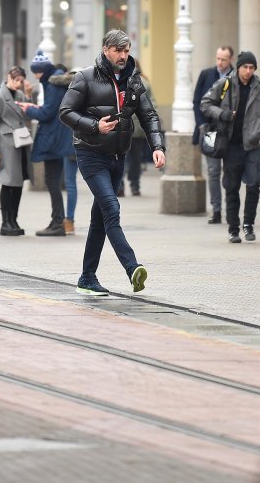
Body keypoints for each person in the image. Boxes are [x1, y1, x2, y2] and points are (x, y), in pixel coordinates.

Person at [59, 29, 165, 295]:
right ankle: (132, 268)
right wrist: (94, 126)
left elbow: (149, 115)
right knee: (111, 208)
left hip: (118, 156)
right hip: (91, 154)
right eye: (118, 50)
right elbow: (65, 112)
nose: (123, 55)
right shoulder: (85, 77)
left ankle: (87, 277)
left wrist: (157, 147)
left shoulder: (134, 80)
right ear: (106, 49)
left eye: (126, 50)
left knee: (99, 219)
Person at [201, 51, 260, 243]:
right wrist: (222, 114)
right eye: (245, 67)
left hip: (251, 144)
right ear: (239, 67)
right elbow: (205, 103)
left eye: (252, 68)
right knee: (231, 187)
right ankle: (233, 229)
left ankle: (248, 225)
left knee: (254, 185)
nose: (248, 71)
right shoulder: (225, 84)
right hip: (231, 145)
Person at [18, 50, 73, 237]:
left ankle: (58, 222)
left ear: (43, 70)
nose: (35, 76)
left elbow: (48, 113)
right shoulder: (54, 80)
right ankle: (58, 220)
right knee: (54, 180)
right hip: (57, 136)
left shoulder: (53, 83)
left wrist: (29, 110)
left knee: (52, 180)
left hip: (54, 138)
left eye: (37, 72)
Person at [0, 66, 34, 237]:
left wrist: (28, 96)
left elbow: (27, 117)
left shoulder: (20, 95)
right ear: (8, 77)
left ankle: (13, 220)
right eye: (15, 80)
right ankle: (5, 222)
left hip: (20, 144)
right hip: (5, 146)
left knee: (19, 183)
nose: (17, 83)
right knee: (8, 184)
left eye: (20, 81)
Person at [193, 46, 234, 224]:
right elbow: (197, 101)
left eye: (223, 59)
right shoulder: (206, 74)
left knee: (231, 171)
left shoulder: (236, 76)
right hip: (210, 130)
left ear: (230, 59)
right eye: (218, 58)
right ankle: (216, 209)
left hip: (230, 131)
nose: (220, 62)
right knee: (213, 170)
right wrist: (201, 124)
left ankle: (231, 208)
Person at [48, 67, 83, 234]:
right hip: (88, 141)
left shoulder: (66, 92)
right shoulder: (91, 90)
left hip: (69, 142)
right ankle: (70, 220)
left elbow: (55, 79)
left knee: (70, 183)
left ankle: (69, 220)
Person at [121, 63, 157, 197]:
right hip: (137, 128)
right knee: (135, 159)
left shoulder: (121, 81)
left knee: (121, 157)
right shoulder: (144, 82)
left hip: (124, 127)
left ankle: (120, 186)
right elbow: (152, 104)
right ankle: (134, 185)